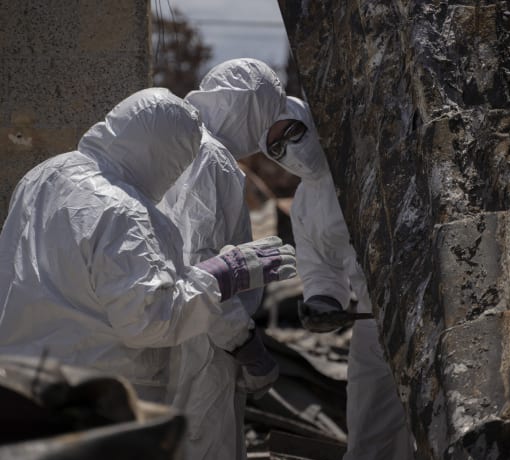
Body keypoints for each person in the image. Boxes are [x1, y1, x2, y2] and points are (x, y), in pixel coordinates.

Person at [0, 89, 295, 413]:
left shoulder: (44, 175)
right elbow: (148, 319)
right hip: (92, 396)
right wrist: (221, 276)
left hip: (19, 378)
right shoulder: (123, 211)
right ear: (164, 155)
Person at [259, 96, 416, 460]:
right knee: (370, 434)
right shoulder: (304, 204)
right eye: (278, 149)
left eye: (294, 133)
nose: (292, 151)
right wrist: (322, 303)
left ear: (312, 123)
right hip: (373, 322)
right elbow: (320, 268)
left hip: (426, 311)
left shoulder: (372, 161)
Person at [154, 58, 288, 460]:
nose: (264, 132)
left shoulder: (182, 144)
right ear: (245, 107)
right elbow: (203, 270)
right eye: (264, 115)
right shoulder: (211, 158)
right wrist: (242, 343)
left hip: (184, 332)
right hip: (203, 345)